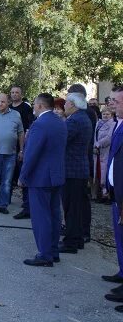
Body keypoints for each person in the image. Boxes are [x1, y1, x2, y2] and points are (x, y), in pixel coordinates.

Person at [18, 93, 67, 267]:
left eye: (34, 104)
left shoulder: (39, 125)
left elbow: (31, 154)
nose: (33, 107)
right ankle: (53, 251)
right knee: (54, 215)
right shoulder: (60, 122)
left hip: (40, 177)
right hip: (56, 176)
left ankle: (45, 254)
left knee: (41, 217)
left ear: (39, 106)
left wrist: (23, 176)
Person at [59, 92, 93, 254]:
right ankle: (77, 238)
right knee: (76, 208)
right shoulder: (83, 118)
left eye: (66, 103)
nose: (64, 105)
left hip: (72, 170)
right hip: (79, 169)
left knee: (71, 208)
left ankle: (70, 242)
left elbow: (61, 139)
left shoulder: (75, 120)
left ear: (72, 104)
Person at [101, 85, 123, 310]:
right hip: (117, 193)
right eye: (111, 100)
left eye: (116, 101)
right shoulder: (119, 123)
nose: (111, 103)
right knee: (120, 239)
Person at [68, 83, 97, 243]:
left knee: (80, 199)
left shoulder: (86, 114)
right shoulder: (81, 114)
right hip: (81, 159)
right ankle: (75, 228)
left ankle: (83, 231)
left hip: (81, 159)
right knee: (76, 200)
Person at [10, 86, 35, 220]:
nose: (14, 95)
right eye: (12, 92)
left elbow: (29, 128)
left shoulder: (26, 108)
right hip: (8, 146)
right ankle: (5, 200)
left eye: (17, 93)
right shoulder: (8, 108)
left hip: (22, 146)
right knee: (8, 175)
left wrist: (22, 148)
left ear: (21, 94)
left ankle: (27, 205)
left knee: (23, 174)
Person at [94, 108, 116, 202]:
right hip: (97, 152)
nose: (105, 116)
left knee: (105, 172)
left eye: (108, 114)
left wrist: (98, 144)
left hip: (106, 150)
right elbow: (94, 136)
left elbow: (109, 137)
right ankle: (102, 193)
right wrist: (94, 146)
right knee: (99, 172)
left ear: (111, 115)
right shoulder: (98, 124)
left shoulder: (113, 124)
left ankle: (107, 194)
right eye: (104, 114)